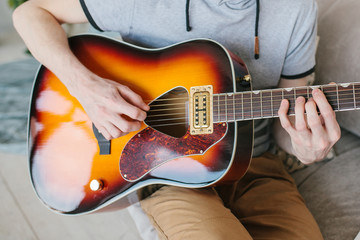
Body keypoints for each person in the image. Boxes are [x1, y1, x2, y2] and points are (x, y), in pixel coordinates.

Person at [13, 0, 341, 239]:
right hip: (166, 172)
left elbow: (291, 113)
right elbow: (29, 13)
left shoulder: (295, 9)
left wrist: (305, 146)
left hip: (257, 164)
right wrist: (85, 86)